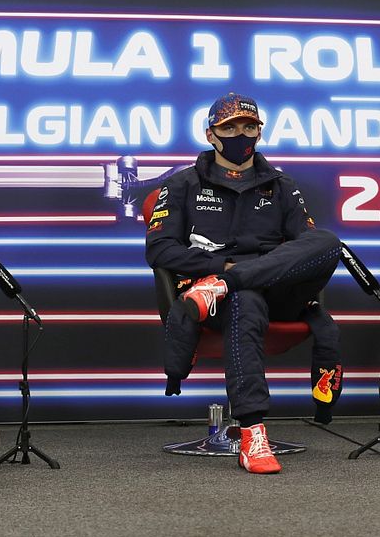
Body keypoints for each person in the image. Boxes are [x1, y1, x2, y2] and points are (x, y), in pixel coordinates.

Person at [145, 92, 343, 474]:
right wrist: (223, 266)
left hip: (275, 291)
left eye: (249, 126)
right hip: (215, 296)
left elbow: (309, 242)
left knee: (328, 242)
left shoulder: (283, 186)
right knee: (245, 299)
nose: (241, 133)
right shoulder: (182, 185)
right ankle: (253, 433)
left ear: (259, 131)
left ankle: (227, 283)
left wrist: (231, 278)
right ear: (211, 134)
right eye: (230, 126)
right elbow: (159, 250)